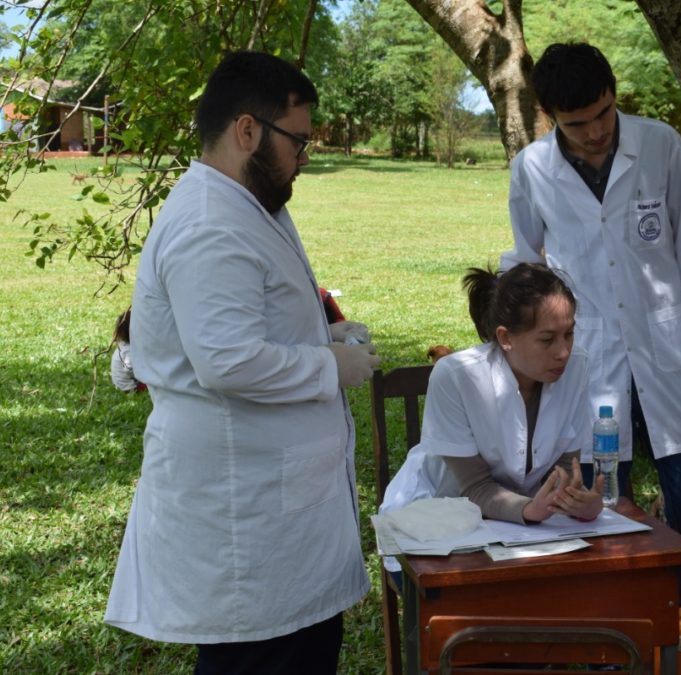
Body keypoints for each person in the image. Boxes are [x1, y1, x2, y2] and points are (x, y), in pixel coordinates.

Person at [104, 52, 381, 674]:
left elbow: (260, 320)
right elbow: (228, 361)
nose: (304, 157)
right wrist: (329, 366)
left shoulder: (249, 206)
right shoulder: (211, 223)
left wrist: (331, 335)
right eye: (299, 141)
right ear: (248, 130)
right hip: (246, 522)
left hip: (277, 512)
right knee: (261, 659)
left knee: (302, 649)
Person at [500, 42, 681, 605]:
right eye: (578, 124)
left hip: (670, 346)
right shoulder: (532, 169)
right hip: (590, 356)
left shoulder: (659, 144)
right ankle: (624, 629)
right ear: (552, 118)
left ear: (614, 95)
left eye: (604, 113)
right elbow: (526, 264)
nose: (597, 132)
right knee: (603, 508)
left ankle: (680, 618)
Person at [381, 263, 602, 527]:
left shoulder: (576, 367)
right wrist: (529, 509)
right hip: (434, 520)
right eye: (547, 339)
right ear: (505, 337)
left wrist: (581, 504)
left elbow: (565, 472)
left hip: (515, 528)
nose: (563, 351)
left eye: (569, 334)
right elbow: (474, 486)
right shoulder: (455, 377)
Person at [110, 307, 146, 393]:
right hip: (129, 387)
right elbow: (128, 368)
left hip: (119, 384)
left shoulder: (121, 345)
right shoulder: (129, 350)